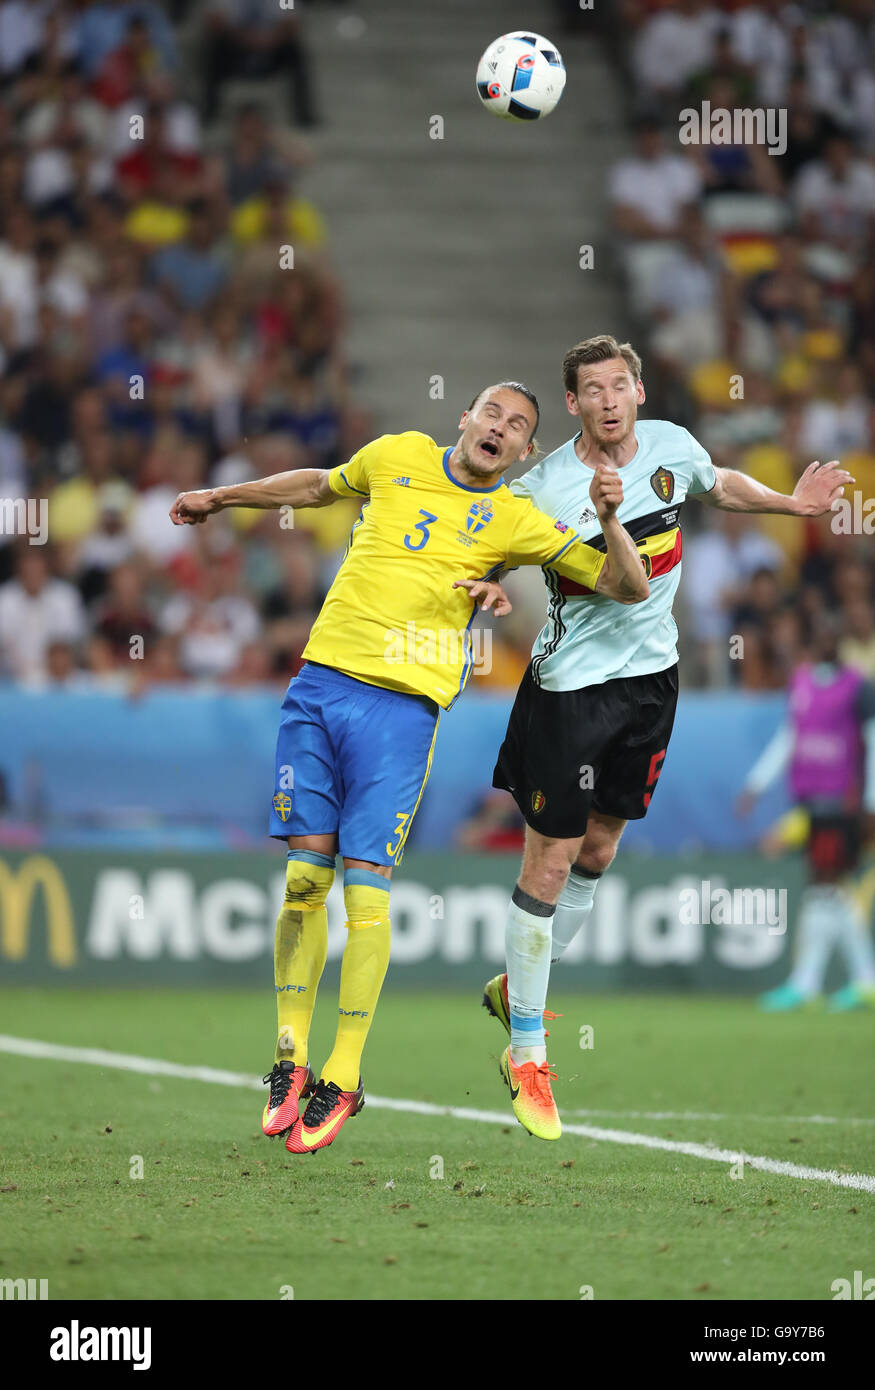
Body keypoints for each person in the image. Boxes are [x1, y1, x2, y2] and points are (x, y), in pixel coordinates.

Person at [170, 382, 649, 1153]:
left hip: (401, 711)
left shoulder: (517, 519)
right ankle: (289, 1057)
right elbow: (317, 485)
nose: (500, 428)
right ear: (464, 419)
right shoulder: (393, 456)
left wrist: (608, 518)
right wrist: (222, 497)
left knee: (364, 892)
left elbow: (626, 585)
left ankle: (346, 1074)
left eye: (518, 427)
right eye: (491, 413)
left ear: (524, 453)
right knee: (302, 880)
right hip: (319, 684)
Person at [480, 335, 852, 1141]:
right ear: (572, 404)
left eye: (619, 384)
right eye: (591, 389)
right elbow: (531, 553)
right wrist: (486, 584)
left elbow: (718, 486)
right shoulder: (546, 486)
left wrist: (789, 504)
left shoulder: (672, 446)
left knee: (599, 851)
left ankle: (516, 987)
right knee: (547, 859)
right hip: (569, 693)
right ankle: (527, 1050)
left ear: (639, 392)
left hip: (652, 685)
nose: (608, 399)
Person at [737, 624, 875, 1012]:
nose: (827, 644)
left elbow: (873, 739)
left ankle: (808, 982)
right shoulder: (802, 684)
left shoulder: (858, 687)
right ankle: (862, 980)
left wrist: (870, 801)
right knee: (830, 888)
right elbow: (790, 736)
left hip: (842, 801)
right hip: (812, 801)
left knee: (824, 883)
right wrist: (757, 784)